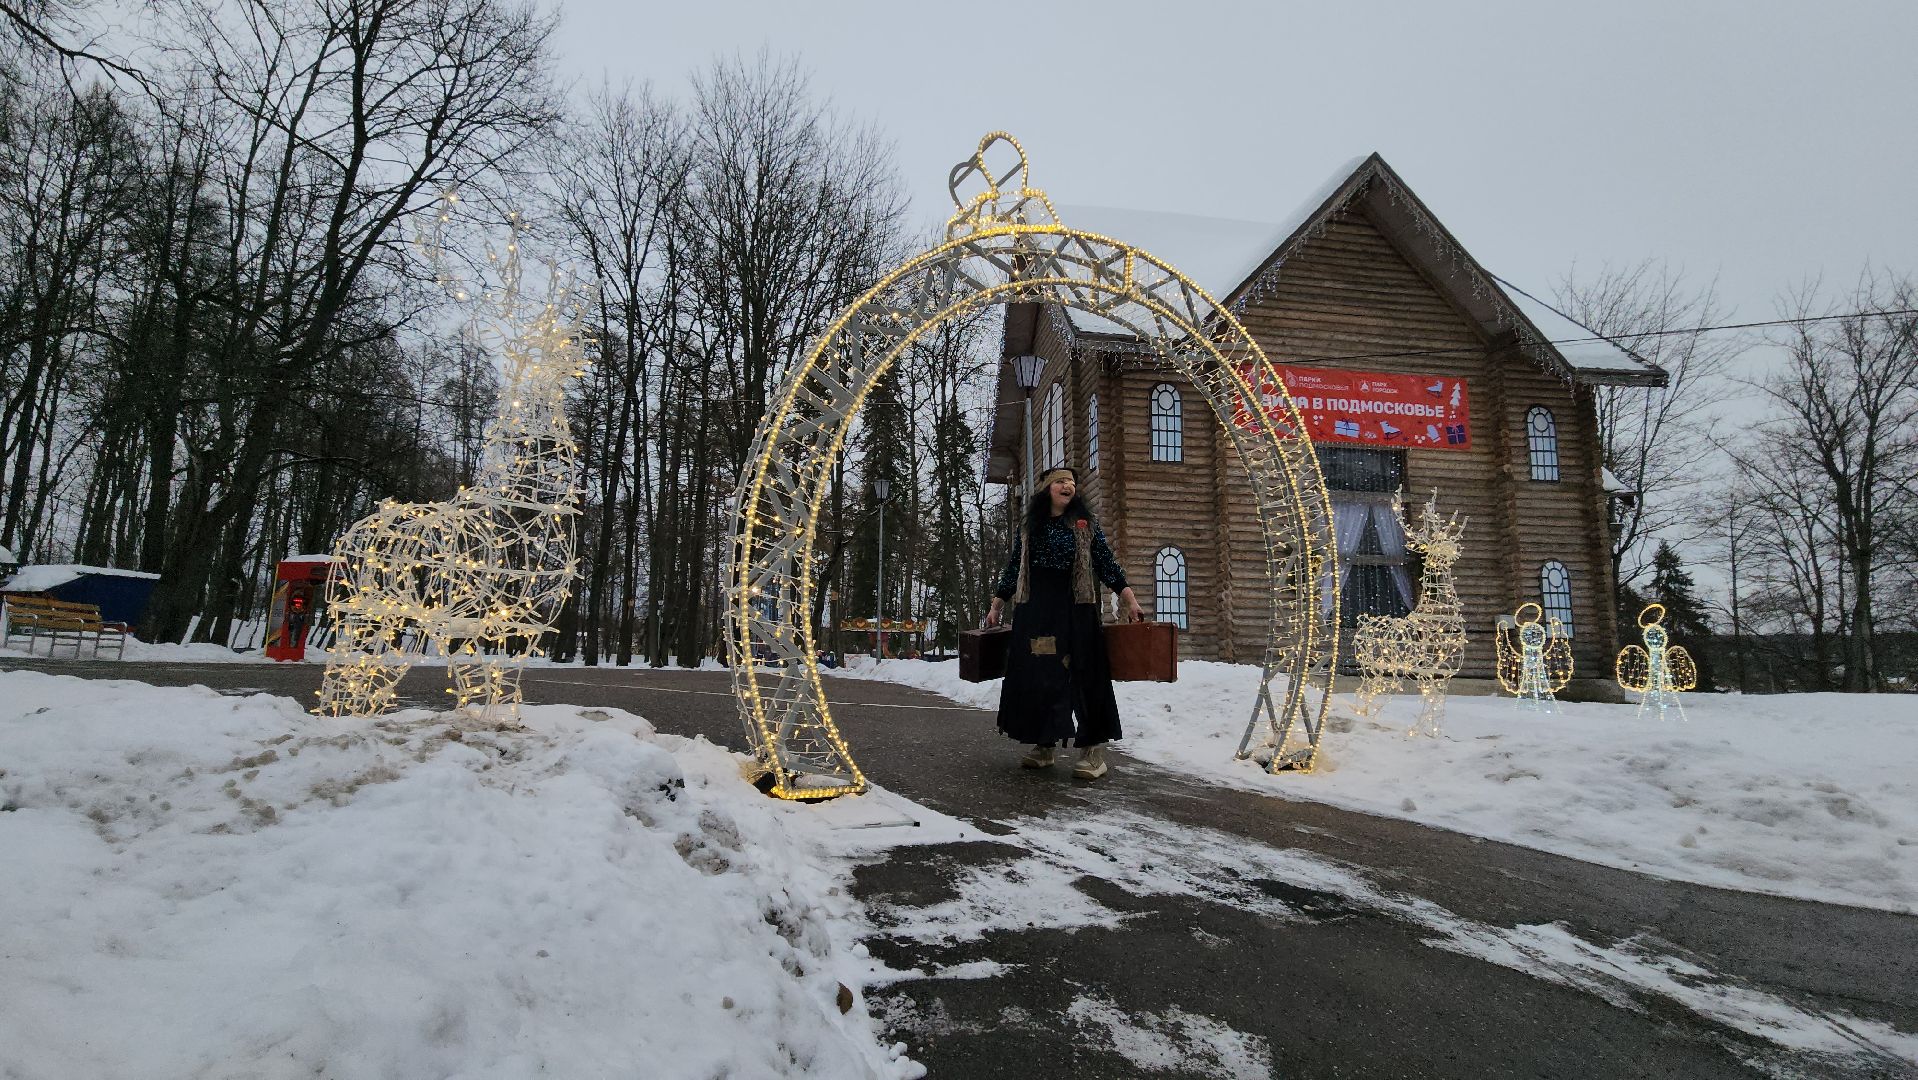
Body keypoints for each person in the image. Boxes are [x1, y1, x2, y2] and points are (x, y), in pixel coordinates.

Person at [986, 466, 1144, 779]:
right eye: (1060, 481)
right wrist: (997, 604)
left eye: (1071, 482)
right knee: (1040, 676)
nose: (1067, 486)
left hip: (1076, 608)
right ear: (1047, 489)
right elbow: (1015, 566)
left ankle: (1093, 752)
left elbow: (1106, 563)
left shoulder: (1085, 524)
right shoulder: (1030, 526)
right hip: (1037, 611)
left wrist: (1130, 599)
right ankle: (1044, 745)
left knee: (1085, 676)